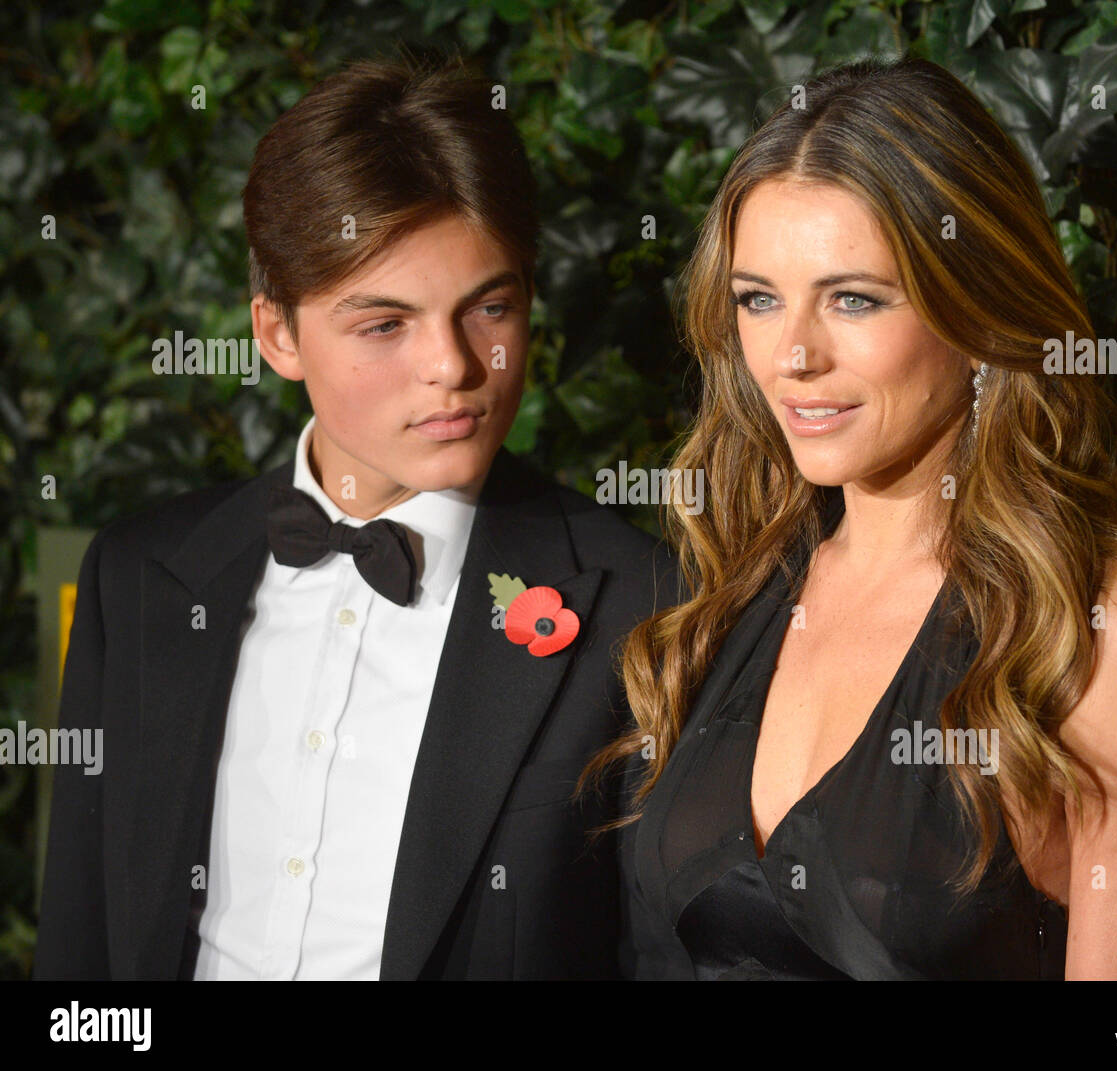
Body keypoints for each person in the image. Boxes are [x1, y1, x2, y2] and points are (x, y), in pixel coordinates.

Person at [590, 56, 1117, 980]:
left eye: (854, 298)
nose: (793, 355)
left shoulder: (1105, 630)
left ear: (976, 307)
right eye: (759, 300)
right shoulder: (738, 587)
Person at [34, 56, 672, 980]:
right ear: (277, 333)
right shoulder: (137, 572)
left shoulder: (644, 604)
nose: (452, 365)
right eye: (385, 324)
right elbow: (82, 940)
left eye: (489, 306)